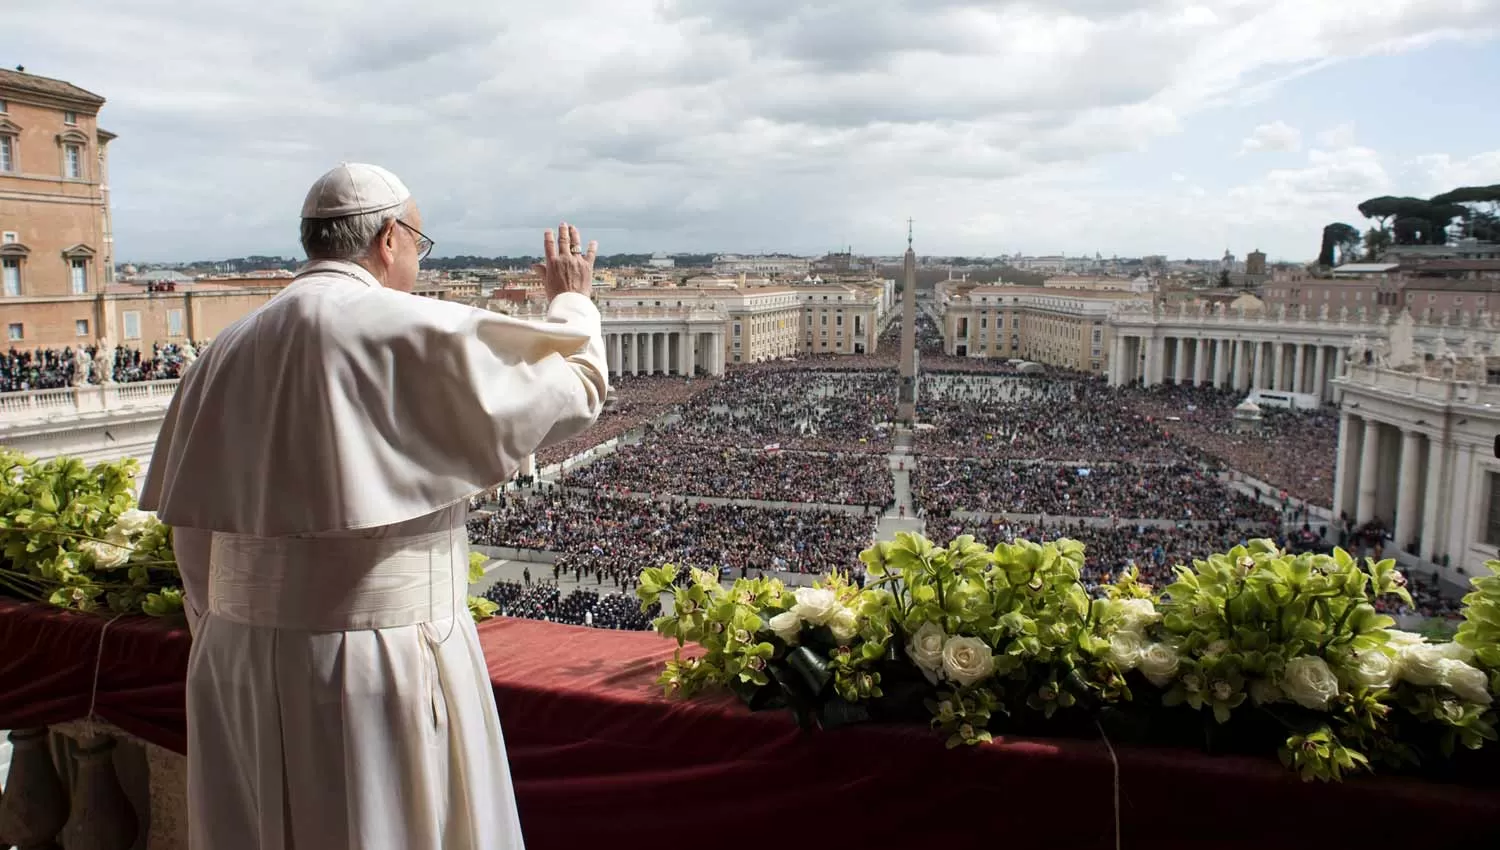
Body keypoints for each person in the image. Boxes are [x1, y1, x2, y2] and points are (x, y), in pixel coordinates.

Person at [140, 162, 609, 850]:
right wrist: (572, 301)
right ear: (391, 236)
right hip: (378, 660)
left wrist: (238, 627)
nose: (419, 260)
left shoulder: (223, 350)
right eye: (421, 243)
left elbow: (192, 537)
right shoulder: (409, 327)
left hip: (233, 660)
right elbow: (576, 391)